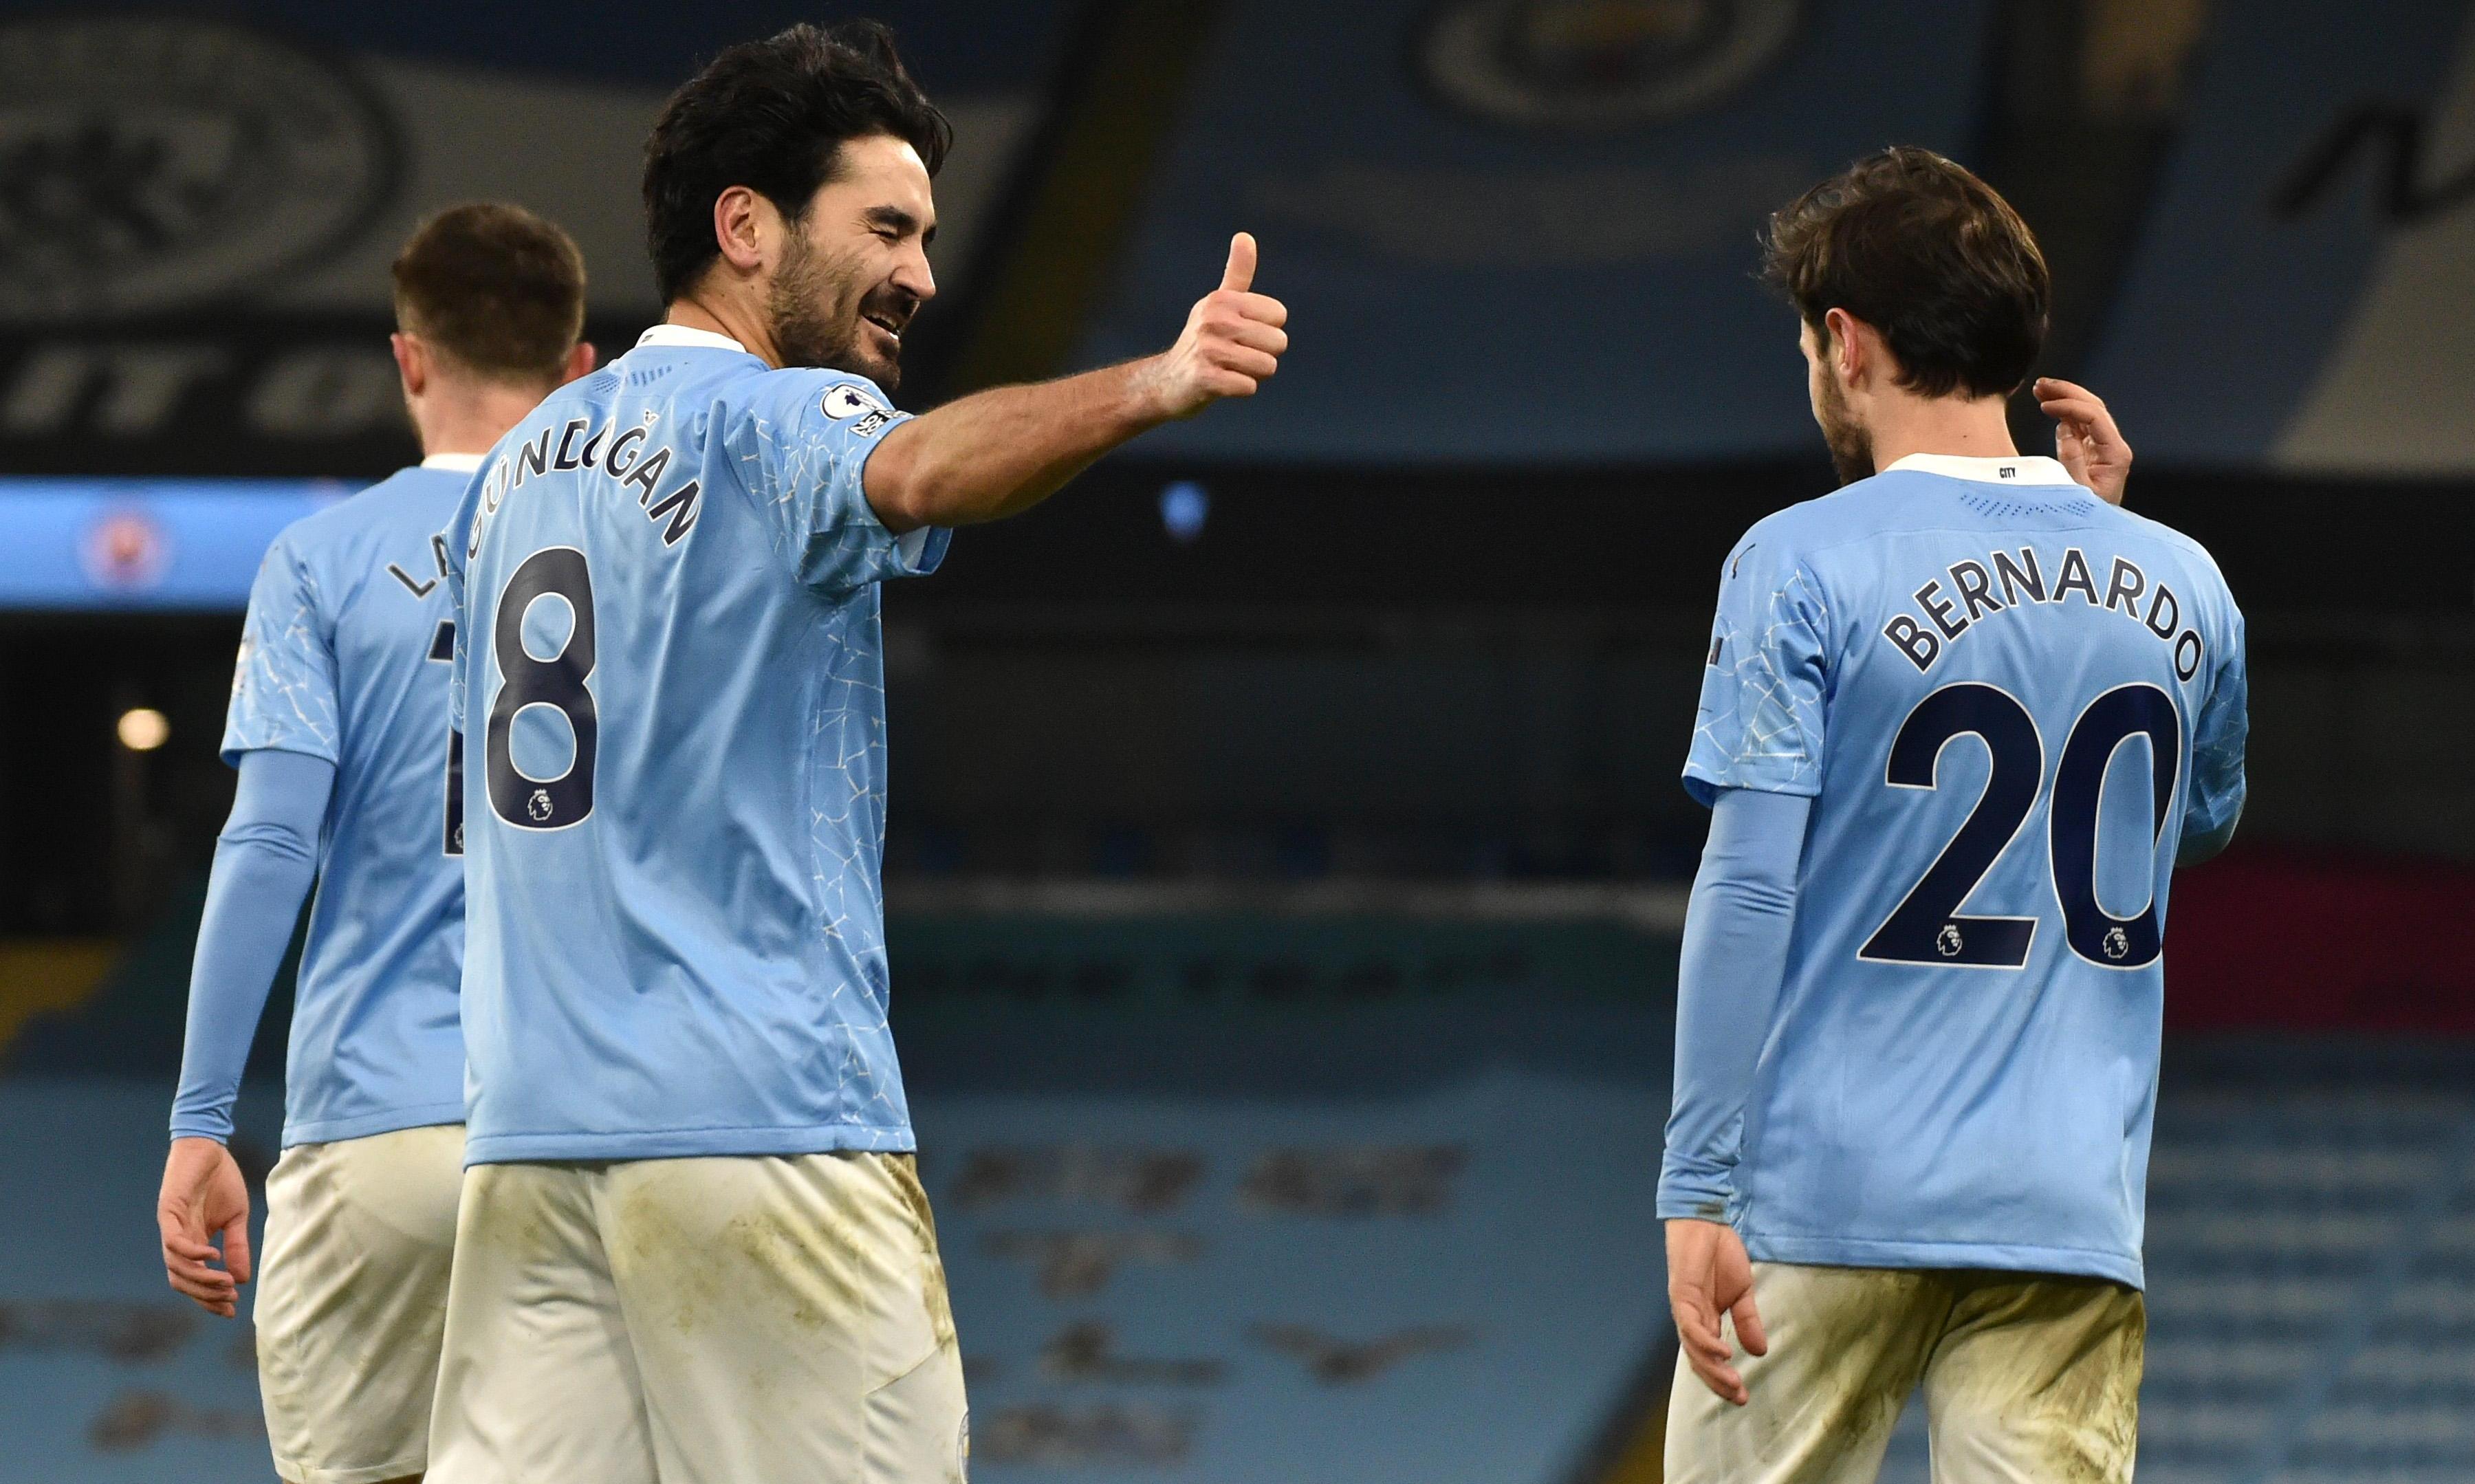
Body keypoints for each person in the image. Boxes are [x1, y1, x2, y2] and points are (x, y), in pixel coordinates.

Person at [425, 21, 1287, 1484]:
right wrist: (1157, 382)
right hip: (757, 1124)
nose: (923, 275)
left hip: (528, 1143)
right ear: (746, 227)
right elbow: (920, 466)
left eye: (927, 236)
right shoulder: (778, 418)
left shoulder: (513, 472)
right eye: (886, 228)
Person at [1659, 146, 2247, 1483]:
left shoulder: (1799, 560)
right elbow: (2192, 825)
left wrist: (1696, 1183)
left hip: (1826, 1194)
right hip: (2068, 1208)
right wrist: (2093, 559)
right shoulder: (2185, 581)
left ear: (1847, 342)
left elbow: (1747, 884)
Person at [157, 203, 593, 1484]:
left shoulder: (319, 560)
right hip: (589, 1127)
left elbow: (271, 841)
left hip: (379, 1128)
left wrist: (201, 1119)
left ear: (408, 357)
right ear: (579, 367)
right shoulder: (648, 563)